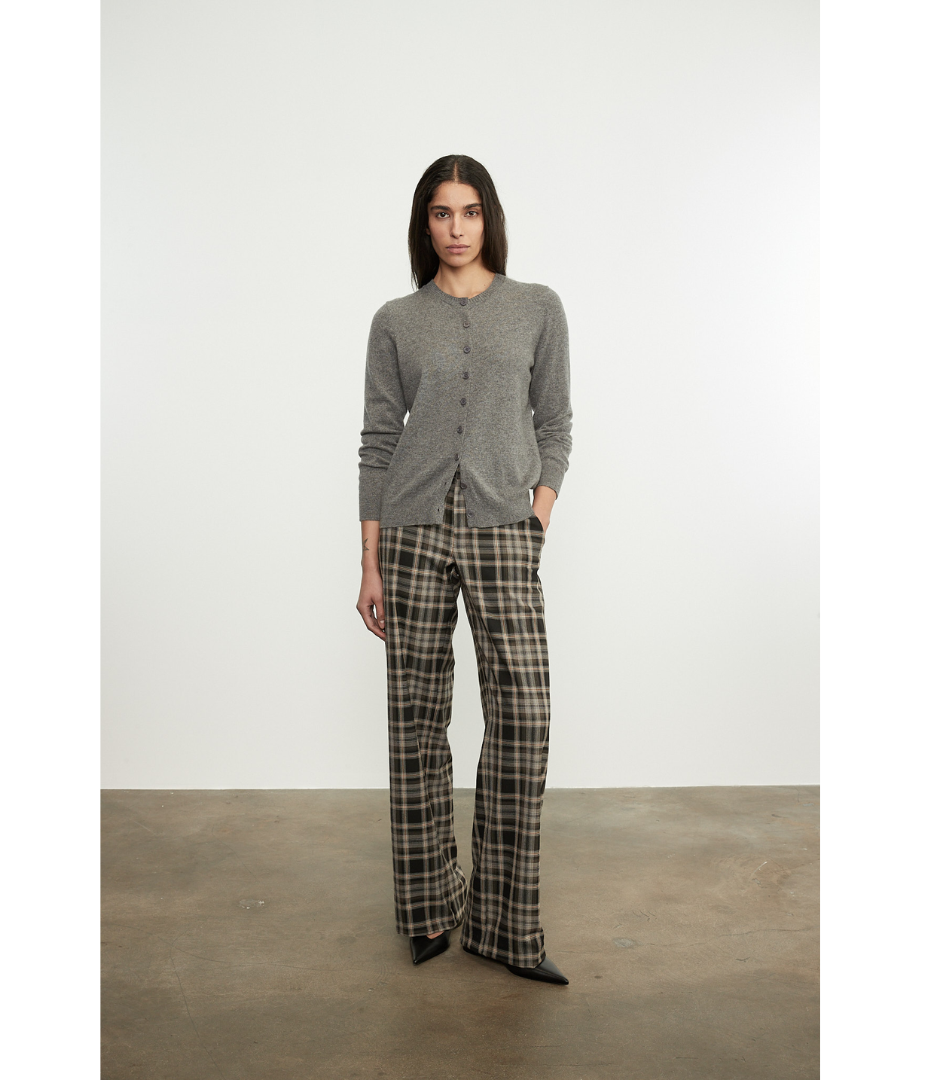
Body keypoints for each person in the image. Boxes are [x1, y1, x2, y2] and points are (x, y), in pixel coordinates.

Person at [356, 154, 573, 986]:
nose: (456, 228)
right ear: (425, 224)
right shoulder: (396, 320)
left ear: (490, 220)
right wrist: (370, 561)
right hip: (411, 529)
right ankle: (427, 908)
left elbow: (555, 425)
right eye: (442, 213)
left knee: (522, 717)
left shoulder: (537, 308)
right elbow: (379, 441)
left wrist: (535, 517)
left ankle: (506, 926)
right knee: (415, 719)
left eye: (470, 211)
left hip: (502, 525)